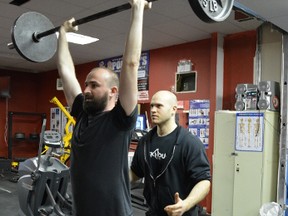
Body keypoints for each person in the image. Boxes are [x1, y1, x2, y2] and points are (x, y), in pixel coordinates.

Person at [57, 1, 152, 215]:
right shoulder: (82, 112)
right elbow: (65, 71)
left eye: (94, 85)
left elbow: (130, 63)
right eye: (86, 84)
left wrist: (137, 9)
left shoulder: (120, 120)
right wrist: (62, 33)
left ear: (113, 92)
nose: (87, 89)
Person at [130, 90, 211, 216]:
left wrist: (186, 204)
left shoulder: (189, 143)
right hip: (154, 212)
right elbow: (135, 173)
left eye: (159, 106)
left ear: (173, 109)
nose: (153, 110)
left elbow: (204, 182)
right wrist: (114, 180)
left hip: (182, 213)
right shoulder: (145, 142)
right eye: (152, 106)